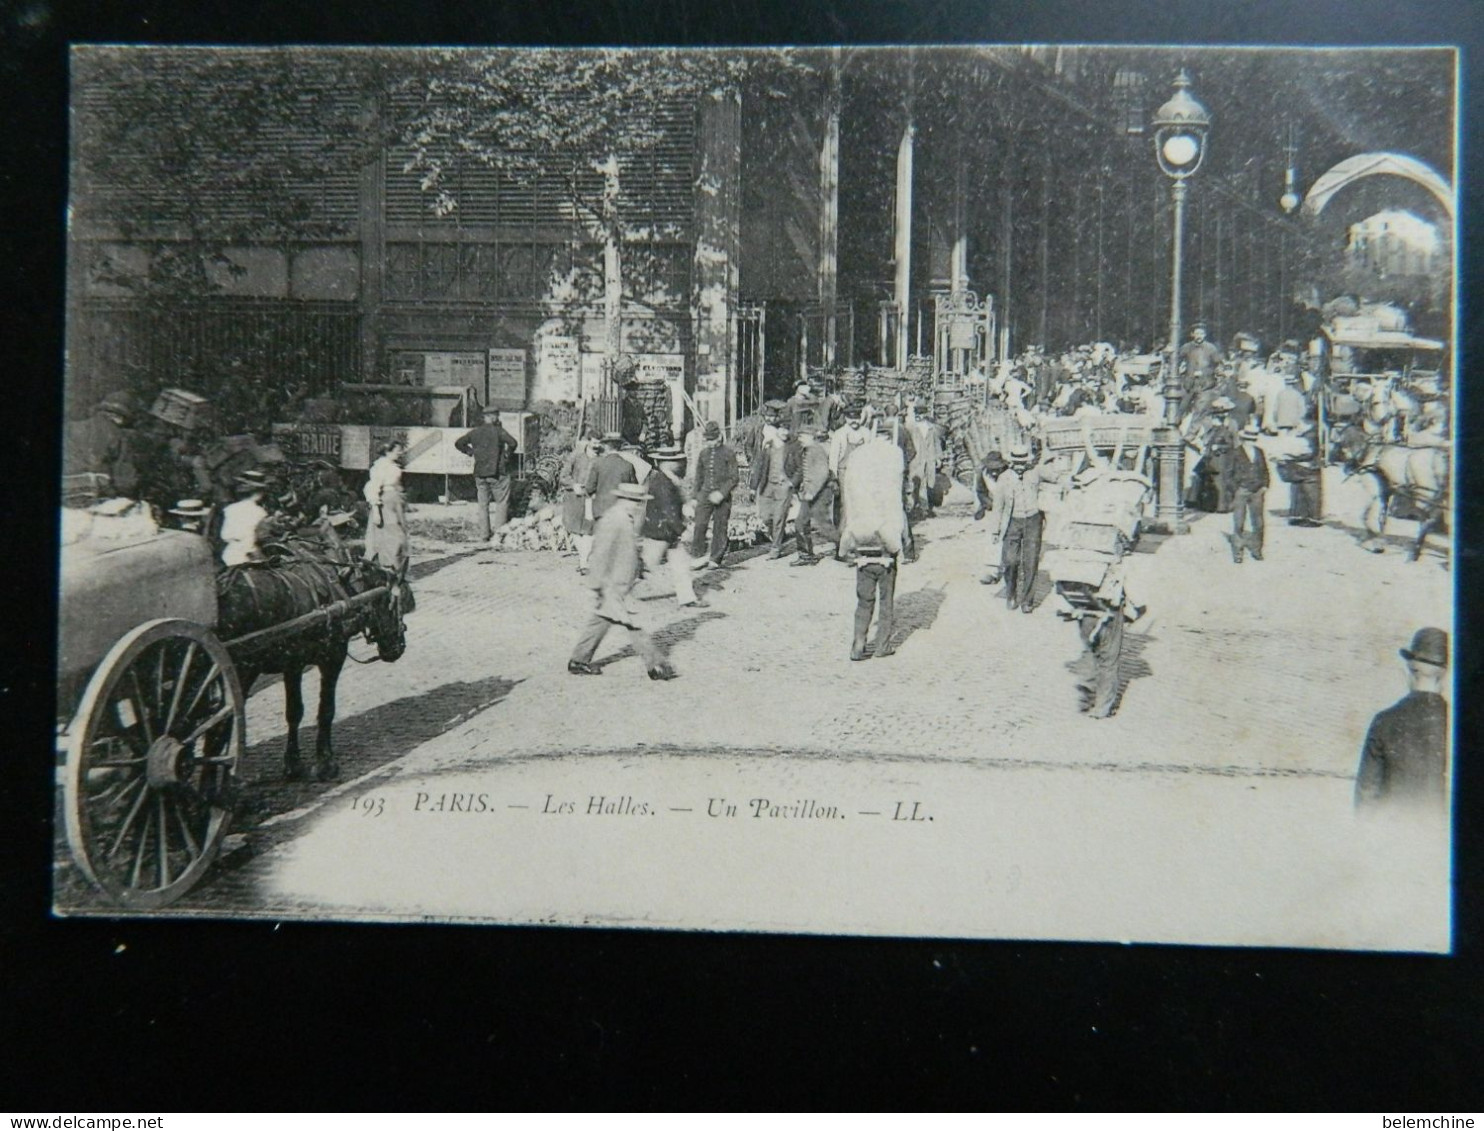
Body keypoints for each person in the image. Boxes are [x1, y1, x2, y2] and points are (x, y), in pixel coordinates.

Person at [568, 482, 676, 681]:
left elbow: (626, 550)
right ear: (624, 499)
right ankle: (656, 666)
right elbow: (600, 554)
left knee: (602, 620)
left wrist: (638, 567)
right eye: (635, 501)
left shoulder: (624, 518)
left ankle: (579, 659)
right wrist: (595, 584)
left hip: (621, 583)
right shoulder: (613, 519)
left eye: (640, 502)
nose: (638, 505)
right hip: (612, 584)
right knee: (633, 622)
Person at [1355, 627, 1449, 811]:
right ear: (1444, 673)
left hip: (1394, 833)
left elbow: (1365, 800)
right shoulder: (1458, 724)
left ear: (1411, 670)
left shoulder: (1383, 721)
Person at [1058, 555, 1144, 719]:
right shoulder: (1119, 558)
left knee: (1092, 650)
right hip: (1108, 611)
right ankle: (1102, 706)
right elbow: (1136, 594)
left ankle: (1088, 689)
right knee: (1108, 660)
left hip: (1084, 608)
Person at [992, 443, 1057, 613]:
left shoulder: (1035, 472)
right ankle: (1011, 594)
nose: (1020, 467)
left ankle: (1028, 600)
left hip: (1033, 521)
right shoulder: (1004, 478)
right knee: (1010, 560)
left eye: (1023, 464)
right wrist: (995, 529)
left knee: (1030, 561)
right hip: (1012, 522)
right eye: (1017, 464)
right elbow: (998, 506)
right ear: (1011, 463)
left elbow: (1056, 477)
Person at [640, 445, 707, 609]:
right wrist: (683, 530)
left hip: (668, 532)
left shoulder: (668, 479)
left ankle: (687, 598)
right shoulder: (662, 482)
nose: (680, 463)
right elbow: (668, 510)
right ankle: (618, 592)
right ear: (665, 463)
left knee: (681, 565)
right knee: (646, 567)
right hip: (659, 532)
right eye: (675, 461)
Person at [63, 391, 143, 500]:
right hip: (95, 498)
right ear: (123, 417)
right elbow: (124, 482)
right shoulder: (120, 436)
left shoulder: (70, 427)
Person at [455, 407, 519, 541]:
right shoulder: (498, 431)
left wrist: (470, 452)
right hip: (498, 473)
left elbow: (459, 443)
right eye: (496, 415)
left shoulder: (475, 432)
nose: (497, 418)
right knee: (501, 503)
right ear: (492, 417)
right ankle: (498, 535)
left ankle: (484, 535)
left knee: (483, 505)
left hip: (480, 473)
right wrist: (507, 455)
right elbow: (513, 443)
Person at [689, 420, 739, 569]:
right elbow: (698, 477)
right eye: (707, 440)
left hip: (722, 497)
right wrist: (694, 497)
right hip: (705, 493)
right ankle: (697, 556)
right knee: (700, 524)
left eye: (712, 439)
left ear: (719, 437)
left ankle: (715, 558)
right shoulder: (703, 454)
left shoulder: (728, 453)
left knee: (720, 526)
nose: (710, 443)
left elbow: (734, 478)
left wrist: (722, 493)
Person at [787, 427, 834, 565]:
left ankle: (845, 548)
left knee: (816, 525)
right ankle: (807, 555)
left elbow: (822, 473)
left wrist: (812, 492)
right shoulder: (810, 449)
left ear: (811, 436)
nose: (800, 439)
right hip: (810, 493)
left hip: (816, 494)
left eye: (803, 436)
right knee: (803, 523)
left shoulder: (816, 450)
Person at [364, 438, 410, 576]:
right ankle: (388, 567)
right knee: (393, 537)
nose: (399, 453)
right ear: (387, 451)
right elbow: (372, 488)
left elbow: (397, 485)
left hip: (394, 504)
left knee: (399, 535)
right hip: (385, 505)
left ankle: (396, 567)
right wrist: (376, 511)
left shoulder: (392, 465)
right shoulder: (380, 467)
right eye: (396, 451)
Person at [749, 422, 794, 559]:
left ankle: (775, 548)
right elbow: (759, 467)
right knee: (765, 516)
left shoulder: (792, 448)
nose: (785, 433)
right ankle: (779, 536)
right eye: (782, 429)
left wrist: (793, 482)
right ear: (777, 431)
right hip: (767, 485)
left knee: (779, 517)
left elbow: (800, 467)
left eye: (788, 429)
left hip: (783, 487)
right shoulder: (767, 448)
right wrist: (753, 487)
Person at [850, 540, 899, 661]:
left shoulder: (858, 519)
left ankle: (858, 646)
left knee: (864, 604)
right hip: (886, 561)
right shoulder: (889, 519)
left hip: (863, 560)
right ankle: (882, 646)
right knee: (886, 602)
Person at [1228, 420, 1269, 563]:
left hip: (1257, 490)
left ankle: (1257, 549)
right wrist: (1236, 489)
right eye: (1248, 439)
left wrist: (1265, 486)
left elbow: (1265, 470)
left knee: (1258, 522)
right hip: (1242, 489)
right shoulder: (1236, 453)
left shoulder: (1259, 452)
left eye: (1253, 439)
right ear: (1243, 439)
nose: (1251, 442)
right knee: (1239, 522)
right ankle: (1238, 552)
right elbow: (1229, 473)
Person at [559, 434, 600, 572]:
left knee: (589, 530)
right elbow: (563, 476)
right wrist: (573, 485)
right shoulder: (576, 456)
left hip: (592, 498)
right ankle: (584, 560)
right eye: (594, 442)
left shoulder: (602, 459)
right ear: (588, 442)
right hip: (574, 498)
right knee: (574, 529)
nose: (596, 446)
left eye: (599, 444)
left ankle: (584, 563)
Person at [220, 470, 272, 567]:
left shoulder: (230, 509)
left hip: (230, 552)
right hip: (246, 556)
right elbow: (248, 537)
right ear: (259, 493)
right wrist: (259, 556)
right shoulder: (257, 512)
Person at [973, 450, 1010, 585]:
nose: (994, 472)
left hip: (1008, 508)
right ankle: (992, 571)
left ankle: (1010, 568)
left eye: (997, 469)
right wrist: (989, 504)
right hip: (993, 509)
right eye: (992, 469)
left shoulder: (1009, 474)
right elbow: (980, 492)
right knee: (992, 539)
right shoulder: (982, 474)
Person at [585, 432, 638, 521]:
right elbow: (634, 491)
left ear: (606, 446)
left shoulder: (598, 464)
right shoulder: (628, 466)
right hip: (621, 513)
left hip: (601, 512)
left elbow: (589, 488)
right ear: (621, 447)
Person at [1177, 323, 1222, 422]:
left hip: (1205, 383)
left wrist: (1206, 372)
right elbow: (1177, 361)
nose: (1199, 336)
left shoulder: (1211, 348)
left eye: (1201, 333)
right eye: (1197, 333)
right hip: (1189, 383)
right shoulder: (1186, 347)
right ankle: (1176, 426)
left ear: (1205, 335)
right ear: (1192, 334)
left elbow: (1218, 365)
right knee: (1182, 407)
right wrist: (1181, 371)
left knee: (1199, 409)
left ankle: (1191, 435)